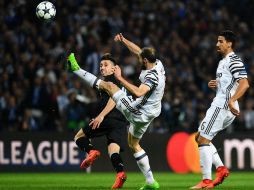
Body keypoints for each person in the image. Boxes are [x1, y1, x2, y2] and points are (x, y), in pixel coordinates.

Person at [67, 33, 165, 190]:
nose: (138, 59)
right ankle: (151, 182)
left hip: (138, 112)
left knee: (110, 86)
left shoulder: (152, 77)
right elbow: (139, 51)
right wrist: (124, 40)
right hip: (151, 111)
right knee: (134, 145)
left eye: (141, 59)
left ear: (145, 61)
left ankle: (75, 68)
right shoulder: (157, 64)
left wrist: (119, 78)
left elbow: (139, 92)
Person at [191, 30, 249, 189]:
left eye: (221, 41)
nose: (217, 44)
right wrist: (218, 84)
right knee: (199, 137)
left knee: (203, 140)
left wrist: (232, 99)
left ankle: (206, 181)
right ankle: (221, 170)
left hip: (223, 105)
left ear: (229, 43)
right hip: (223, 104)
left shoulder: (234, 60)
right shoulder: (223, 61)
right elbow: (231, 83)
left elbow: (244, 83)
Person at [73, 53, 129, 189]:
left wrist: (101, 115)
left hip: (109, 118)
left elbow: (113, 99)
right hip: (121, 121)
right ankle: (120, 174)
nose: (102, 68)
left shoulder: (110, 81)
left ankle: (91, 151)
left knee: (78, 137)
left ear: (113, 69)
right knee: (113, 151)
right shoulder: (120, 82)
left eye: (105, 65)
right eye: (100, 65)